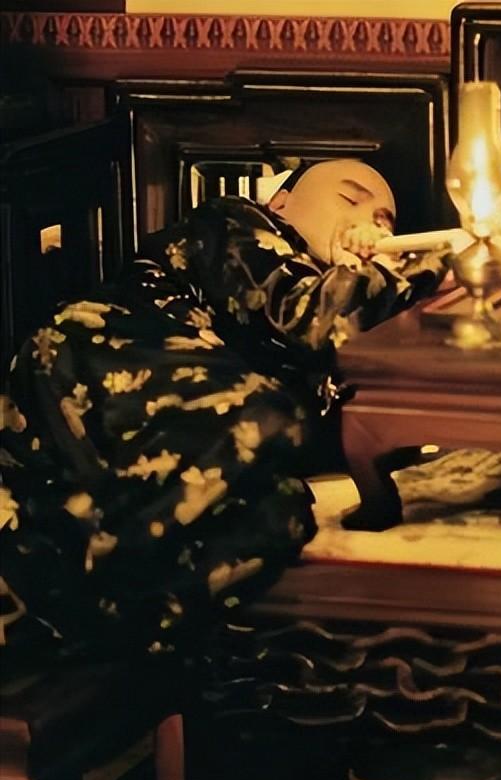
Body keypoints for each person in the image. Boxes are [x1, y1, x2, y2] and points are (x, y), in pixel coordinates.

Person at [0, 159, 452, 655]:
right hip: (99, 358)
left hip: (195, 422)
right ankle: (42, 572)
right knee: (268, 416)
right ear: (281, 202)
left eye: (384, 222)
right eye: (350, 199)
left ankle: (81, 613)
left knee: (281, 513)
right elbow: (305, 315)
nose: (367, 222)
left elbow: (335, 433)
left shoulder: (351, 321)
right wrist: (429, 264)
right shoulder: (236, 221)